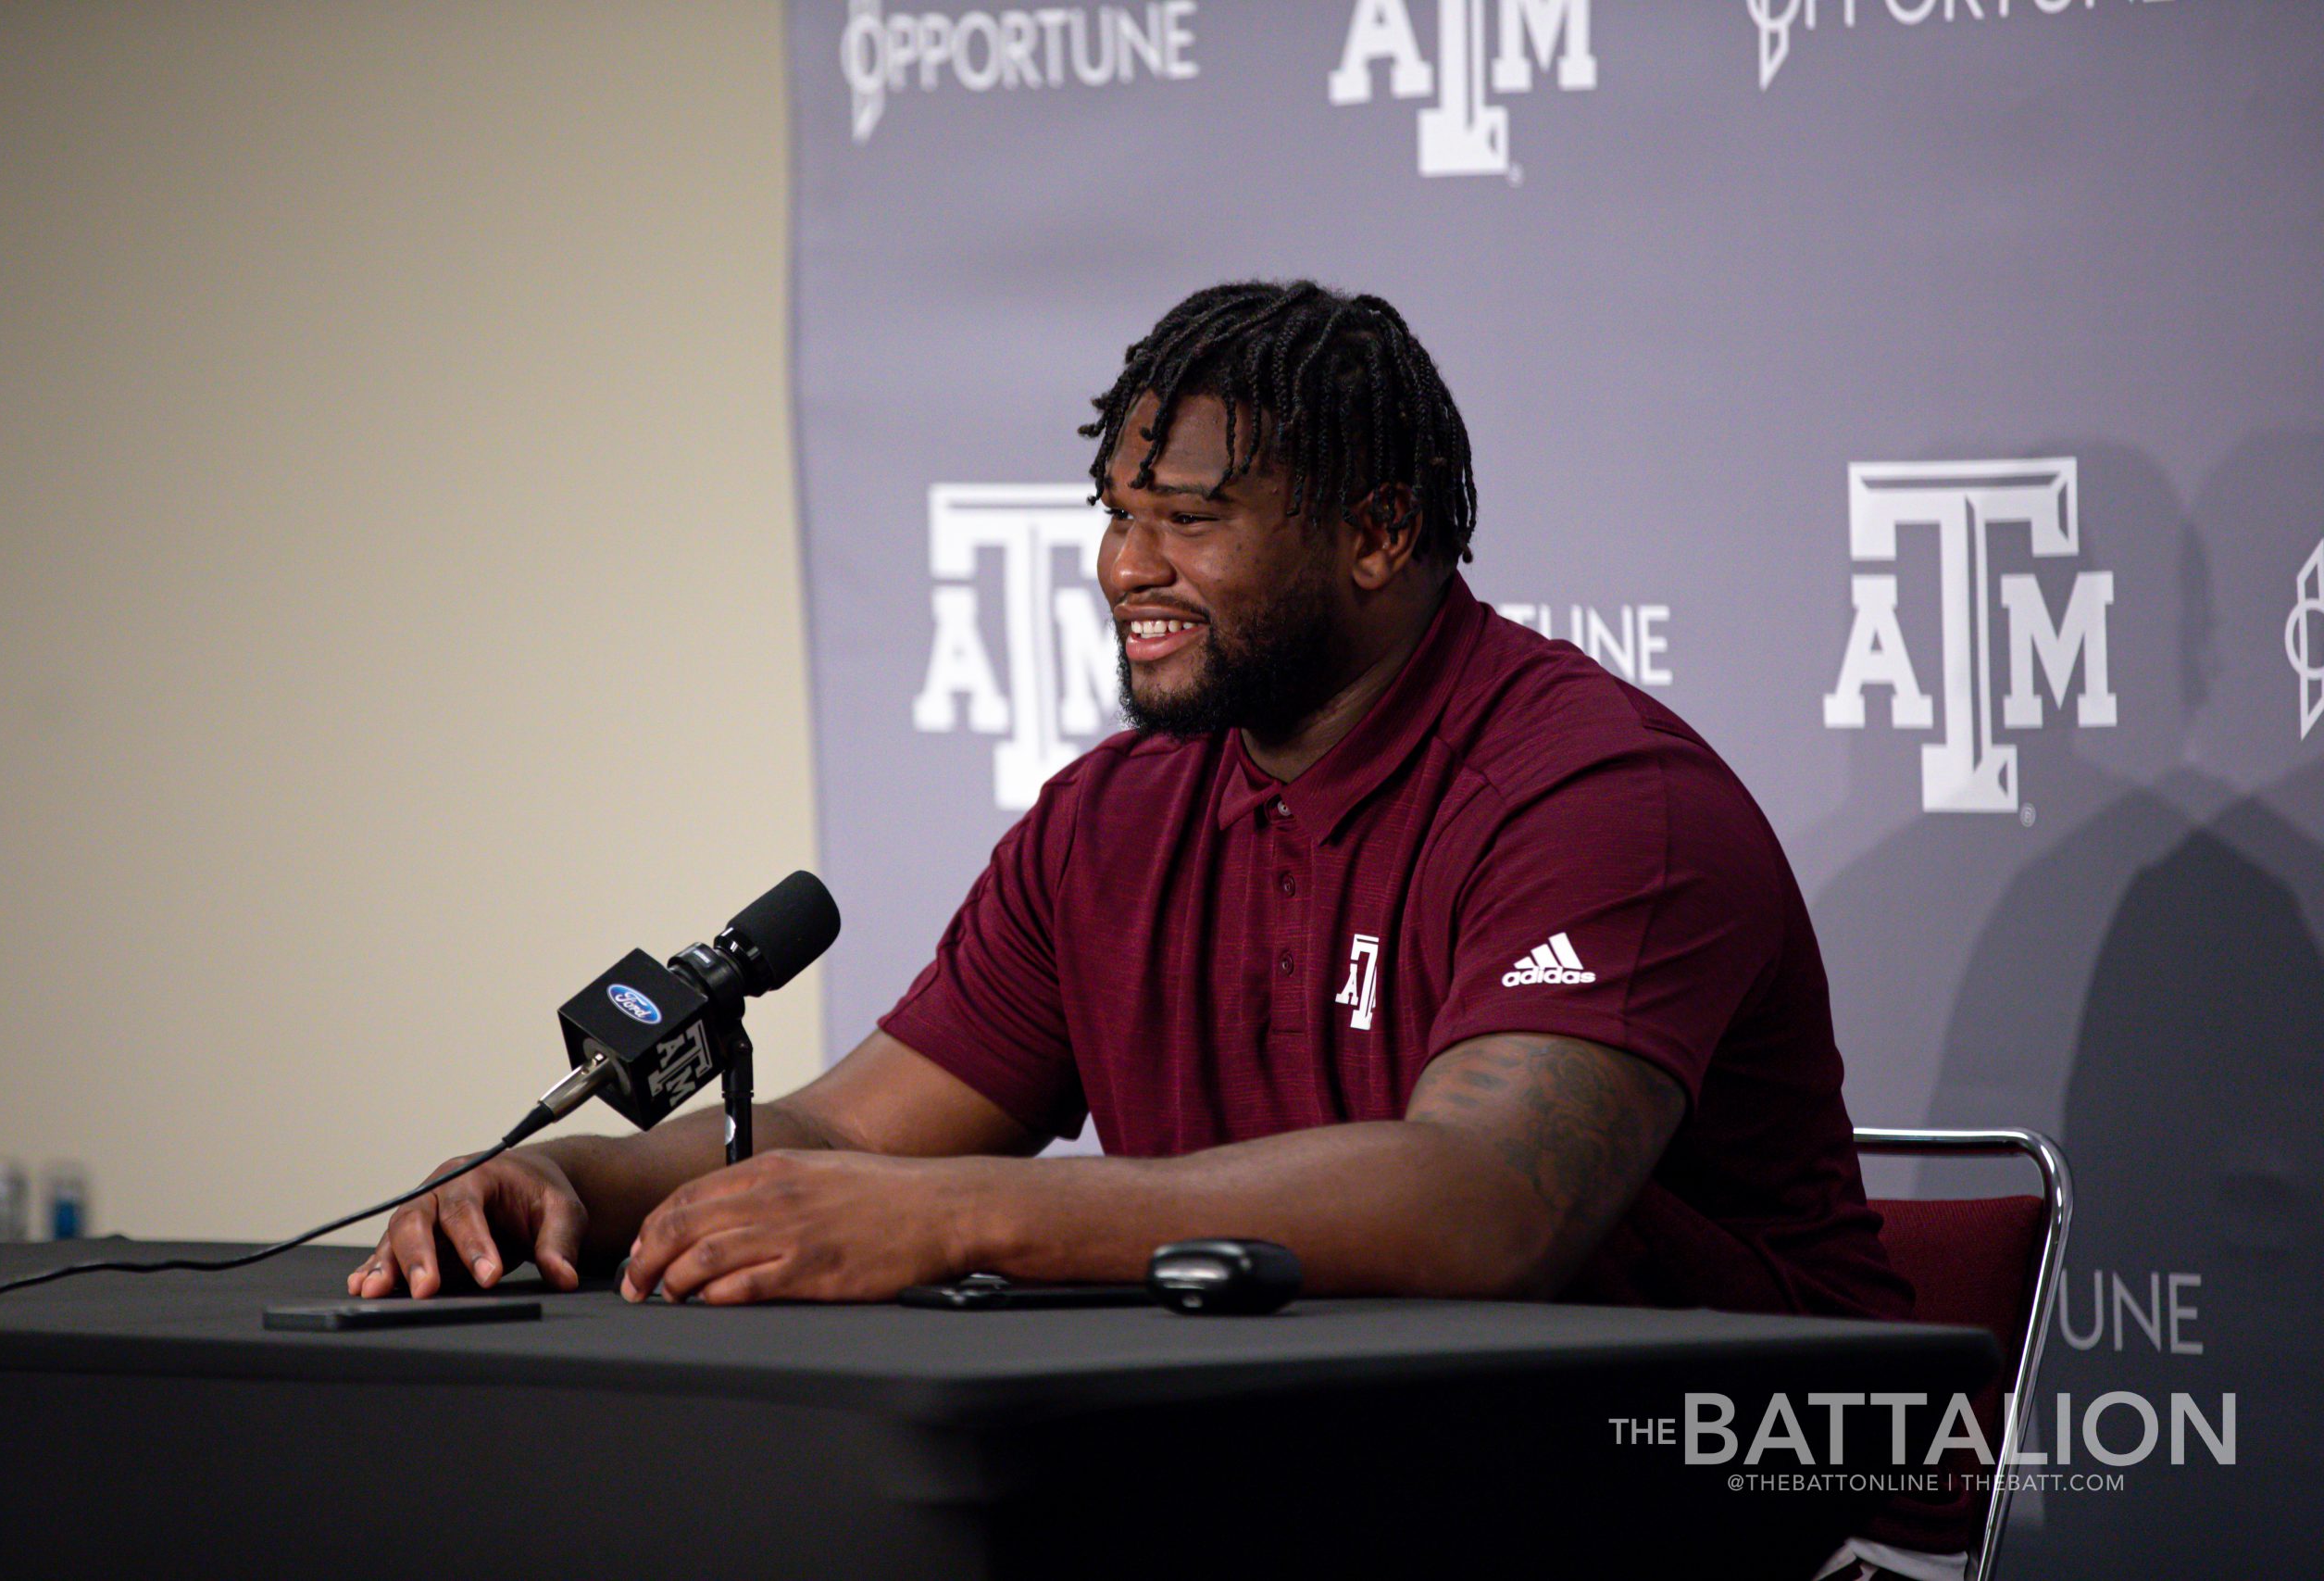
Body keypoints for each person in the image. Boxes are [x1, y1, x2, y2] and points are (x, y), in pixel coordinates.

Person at [350, 280, 1910, 1326]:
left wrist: (973, 1220)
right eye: (1116, 515)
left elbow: (1491, 1202)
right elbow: (850, 1132)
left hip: (1715, 1491)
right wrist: (565, 1183)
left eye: (1190, 518)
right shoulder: (1113, 822)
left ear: (1378, 536)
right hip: (1327, 1483)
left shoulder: (1595, 795)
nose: (1126, 567)